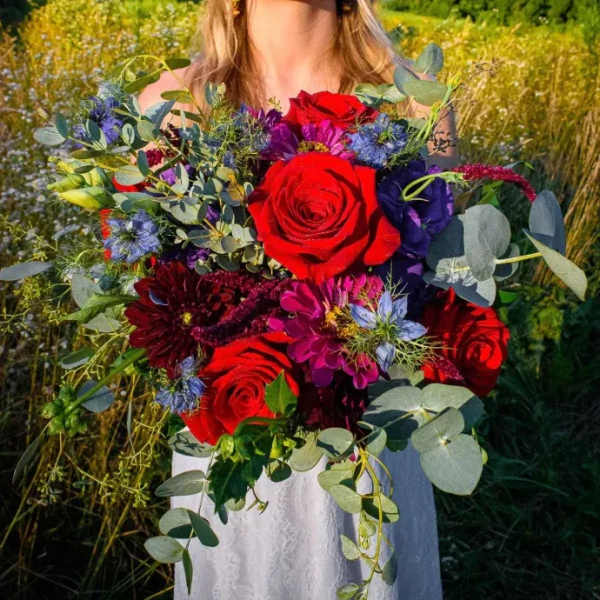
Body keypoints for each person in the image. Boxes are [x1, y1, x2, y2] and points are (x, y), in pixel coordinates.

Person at [137, 1, 457, 598]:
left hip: (367, 439)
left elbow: (436, 281)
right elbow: (155, 293)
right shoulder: (174, 105)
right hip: (235, 438)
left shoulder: (415, 101)